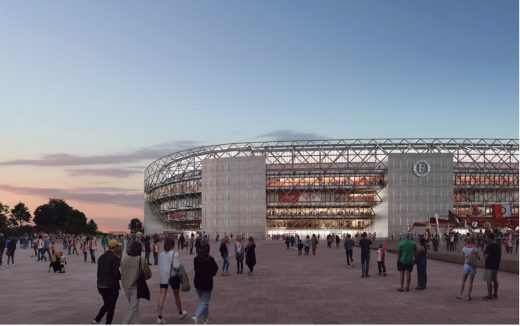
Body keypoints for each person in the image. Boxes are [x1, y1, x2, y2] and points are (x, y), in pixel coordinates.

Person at [156, 237, 187, 323]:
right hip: (173, 277)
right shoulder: (174, 254)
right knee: (176, 295)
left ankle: (159, 317)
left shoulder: (161, 254)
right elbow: (176, 266)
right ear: (173, 245)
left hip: (163, 277)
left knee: (162, 296)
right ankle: (180, 313)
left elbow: (161, 265)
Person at [120, 240, 152, 324]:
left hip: (125, 286)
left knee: (134, 306)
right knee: (132, 308)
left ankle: (137, 323)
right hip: (135, 287)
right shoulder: (140, 259)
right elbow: (148, 274)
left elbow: (122, 271)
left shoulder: (124, 258)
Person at [92, 239, 121, 324]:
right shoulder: (115, 258)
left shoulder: (101, 257)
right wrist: (122, 277)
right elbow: (116, 273)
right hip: (111, 286)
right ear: (115, 247)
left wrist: (98, 283)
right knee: (111, 307)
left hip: (101, 285)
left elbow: (98, 272)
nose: (119, 248)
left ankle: (97, 319)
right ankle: (105, 322)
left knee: (107, 304)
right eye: (118, 246)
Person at [192, 243, 218, 324]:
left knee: (203, 302)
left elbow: (195, 269)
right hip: (207, 283)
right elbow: (215, 270)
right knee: (204, 302)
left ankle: (205, 319)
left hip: (197, 283)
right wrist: (209, 274)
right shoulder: (210, 259)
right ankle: (196, 315)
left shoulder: (196, 259)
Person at [458, 236, 479, 301]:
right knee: (470, 281)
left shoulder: (464, 248)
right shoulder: (475, 249)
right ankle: (468, 296)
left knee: (463, 280)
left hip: (466, 265)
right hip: (473, 265)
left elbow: (462, 258)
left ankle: (460, 294)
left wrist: (466, 257)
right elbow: (478, 258)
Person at [483, 232, 501, 302]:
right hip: (496, 265)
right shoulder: (498, 246)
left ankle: (489, 296)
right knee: (495, 280)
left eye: (487, 238)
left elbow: (486, 257)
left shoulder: (489, 246)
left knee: (489, 280)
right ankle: (495, 294)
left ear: (490, 239)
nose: (485, 239)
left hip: (489, 265)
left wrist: (483, 253)